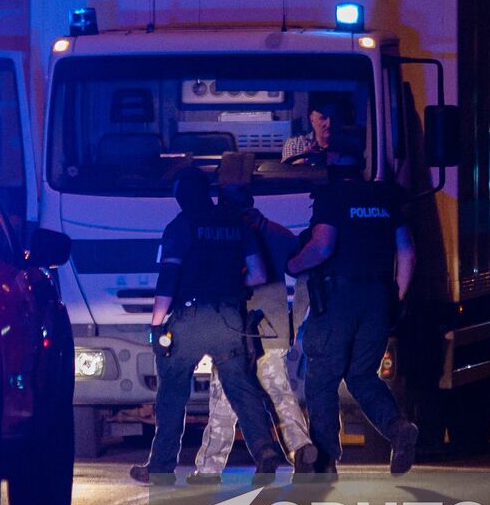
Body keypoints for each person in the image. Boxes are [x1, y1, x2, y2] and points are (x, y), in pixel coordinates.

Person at [131, 168, 284, 485]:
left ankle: (160, 467)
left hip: (190, 318)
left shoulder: (180, 226)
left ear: (181, 196)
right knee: (241, 388)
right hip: (230, 318)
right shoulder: (236, 223)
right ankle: (265, 451)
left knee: (172, 393)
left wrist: (157, 324)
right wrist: (226, 285)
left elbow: (168, 280)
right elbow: (258, 275)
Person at [284, 136, 419, 476]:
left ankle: (326, 460)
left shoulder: (332, 197)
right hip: (378, 299)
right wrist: (397, 299)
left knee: (322, 379)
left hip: (338, 301)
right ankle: (399, 429)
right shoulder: (385, 197)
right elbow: (408, 252)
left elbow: (322, 246)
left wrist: (294, 264)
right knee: (361, 375)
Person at [189, 185, 317, 483]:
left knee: (225, 399)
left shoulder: (220, 235)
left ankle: (208, 470)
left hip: (233, 334)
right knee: (281, 395)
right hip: (273, 330)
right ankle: (301, 449)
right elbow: (306, 278)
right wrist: (293, 322)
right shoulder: (279, 235)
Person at [281, 95, 338, 165]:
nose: (329, 124)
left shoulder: (347, 145)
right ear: (312, 120)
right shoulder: (295, 143)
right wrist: (304, 159)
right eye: (323, 118)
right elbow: (286, 172)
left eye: (333, 118)